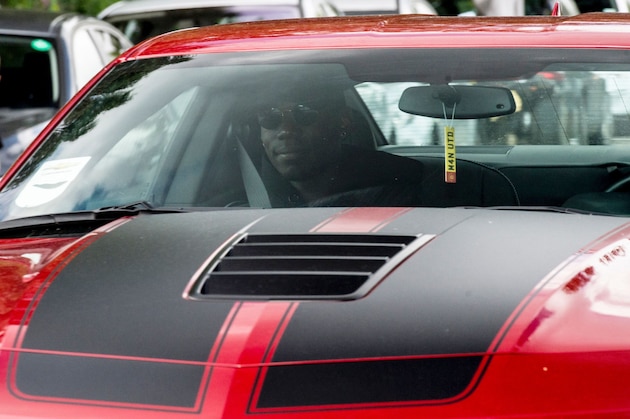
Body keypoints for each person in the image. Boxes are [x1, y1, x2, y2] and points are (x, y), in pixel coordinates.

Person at [251, 81, 425, 207]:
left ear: (343, 122)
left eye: (304, 114)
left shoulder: (396, 187)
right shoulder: (240, 193)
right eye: (270, 118)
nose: (286, 131)